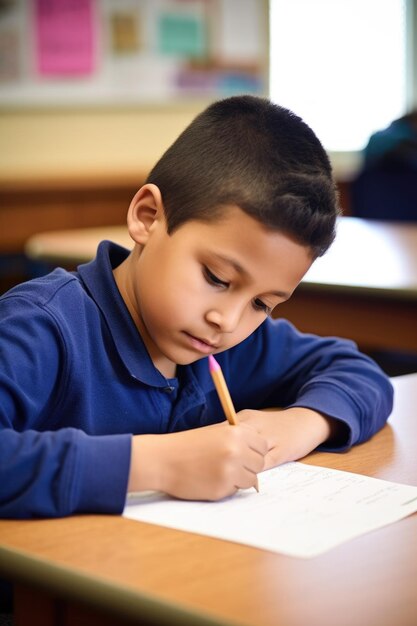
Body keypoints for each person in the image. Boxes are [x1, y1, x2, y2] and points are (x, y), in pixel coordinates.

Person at [0, 95, 393, 519]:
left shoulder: (233, 347)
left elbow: (360, 373)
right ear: (148, 217)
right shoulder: (43, 328)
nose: (227, 322)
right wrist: (159, 463)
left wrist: (299, 425)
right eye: (216, 278)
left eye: (261, 303)